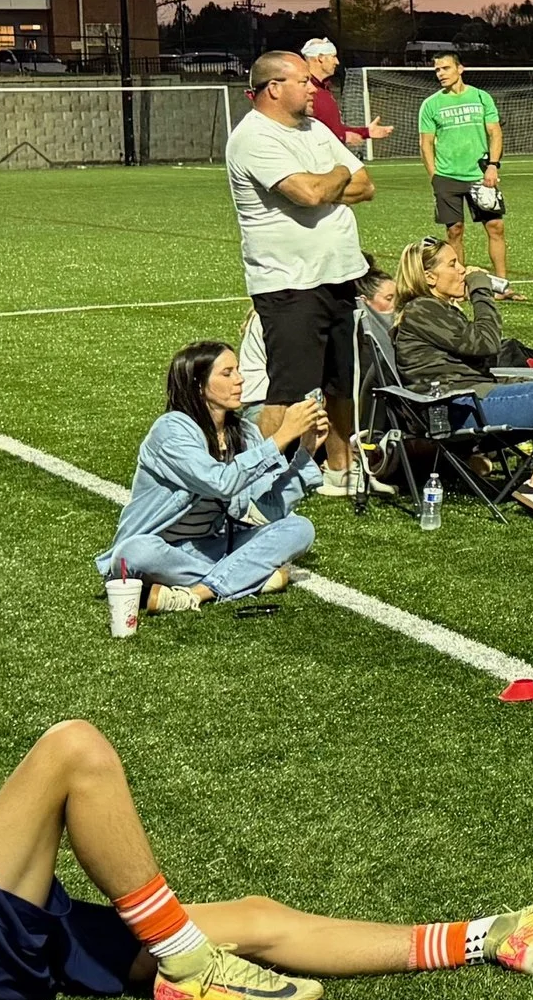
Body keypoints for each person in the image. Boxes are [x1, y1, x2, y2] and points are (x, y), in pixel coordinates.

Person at [0, 719, 533, 1000]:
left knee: (251, 913)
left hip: (6, 950)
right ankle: (190, 970)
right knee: (73, 749)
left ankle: (494, 936)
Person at [226, 51, 372, 494]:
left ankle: (340, 470)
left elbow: (366, 187)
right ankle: (259, 481)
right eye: (304, 81)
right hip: (289, 283)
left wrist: (331, 179)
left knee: (340, 383)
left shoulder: (317, 129)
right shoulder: (253, 137)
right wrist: (339, 172)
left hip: (339, 275)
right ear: (274, 87)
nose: (314, 89)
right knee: (288, 390)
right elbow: (308, 193)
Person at [96, 340, 325, 612]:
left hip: (211, 546)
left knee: (299, 528)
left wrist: (306, 452)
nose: (239, 380)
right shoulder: (170, 431)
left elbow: (268, 510)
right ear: (198, 384)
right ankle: (249, 576)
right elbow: (221, 483)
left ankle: (198, 593)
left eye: (238, 370)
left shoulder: (244, 433)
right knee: (133, 553)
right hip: (165, 550)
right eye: (227, 373)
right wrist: (281, 438)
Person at [394, 237, 533, 518]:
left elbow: (484, 356)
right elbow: (487, 343)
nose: (462, 270)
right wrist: (481, 291)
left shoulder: (438, 309)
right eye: (453, 264)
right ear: (429, 276)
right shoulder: (422, 310)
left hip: (471, 399)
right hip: (456, 407)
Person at [419, 52, 511, 295]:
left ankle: (501, 286)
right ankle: (457, 287)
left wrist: (493, 165)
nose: (440, 74)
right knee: (454, 231)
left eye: (445, 68)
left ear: (460, 69)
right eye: (437, 70)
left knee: (495, 227)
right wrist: (434, 176)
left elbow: (495, 133)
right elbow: (426, 143)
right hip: (447, 176)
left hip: (480, 175)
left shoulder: (481, 97)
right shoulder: (430, 104)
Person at [297, 37, 393, 152]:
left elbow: (335, 129)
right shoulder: (301, 89)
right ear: (321, 58)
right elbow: (302, 131)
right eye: (333, 56)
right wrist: (342, 136)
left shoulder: (325, 89)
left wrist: (366, 132)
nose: (337, 62)